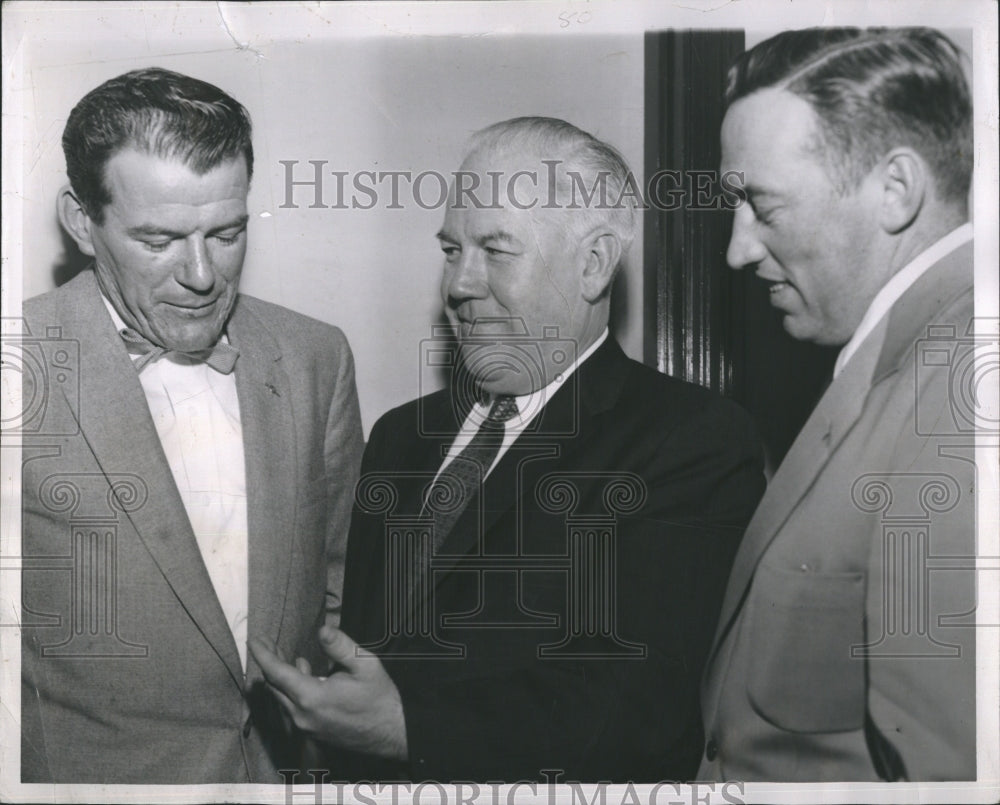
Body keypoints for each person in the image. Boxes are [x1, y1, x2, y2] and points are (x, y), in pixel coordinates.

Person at [252, 116, 766, 782]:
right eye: (450, 250)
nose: (460, 285)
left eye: (495, 251)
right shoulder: (400, 438)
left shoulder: (690, 440)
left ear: (594, 263)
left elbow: (642, 708)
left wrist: (406, 727)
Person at [19, 67, 365, 783]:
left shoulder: (314, 357)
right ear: (82, 222)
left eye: (227, 232)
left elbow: (338, 587)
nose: (203, 274)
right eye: (160, 240)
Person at [699, 28, 977, 781]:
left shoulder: (961, 393)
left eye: (761, 204)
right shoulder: (902, 363)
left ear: (895, 190)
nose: (739, 249)